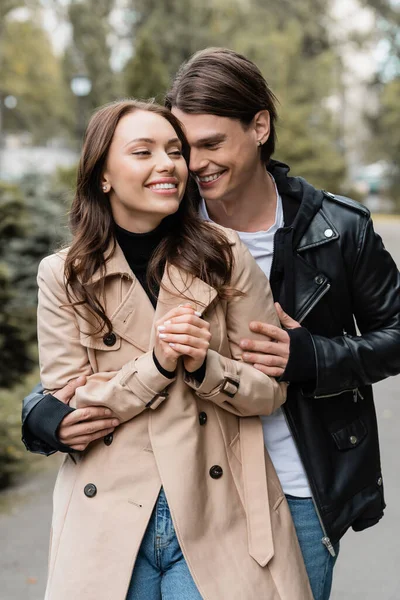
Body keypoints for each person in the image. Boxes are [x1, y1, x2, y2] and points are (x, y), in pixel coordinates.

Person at [22, 48, 400, 599]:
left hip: (292, 481)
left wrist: (312, 357)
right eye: (181, 146)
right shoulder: (165, 219)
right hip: (158, 483)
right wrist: (41, 413)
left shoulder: (331, 228)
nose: (189, 165)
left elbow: (391, 334)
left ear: (259, 127)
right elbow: (90, 362)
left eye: (207, 145)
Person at [32, 98, 312, 600]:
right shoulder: (64, 274)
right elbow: (68, 401)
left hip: (218, 507)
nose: (168, 165)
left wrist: (206, 365)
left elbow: (270, 391)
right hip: (108, 513)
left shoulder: (224, 254)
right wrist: (158, 364)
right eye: (143, 152)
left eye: (174, 151)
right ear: (102, 176)